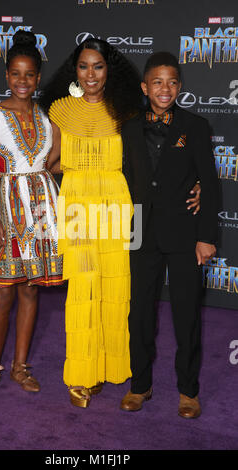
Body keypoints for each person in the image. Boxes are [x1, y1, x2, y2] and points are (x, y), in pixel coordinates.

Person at [39, 40, 200, 408]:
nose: (91, 74)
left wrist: (200, 183)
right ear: (74, 71)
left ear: (109, 71)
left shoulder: (127, 111)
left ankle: (110, 369)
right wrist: (73, 171)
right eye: (84, 66)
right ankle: (82, 374)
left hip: (118, 206)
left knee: (116, 290)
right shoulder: (61, 110)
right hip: (78, 206)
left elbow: (158, 160)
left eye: (98, 66)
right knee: (83, 289)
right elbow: (49, 162)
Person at [120, 52, 218, 418]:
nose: (165, 88)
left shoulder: (194, 125)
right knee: (140, 314)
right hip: (140, 229)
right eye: (157, 82)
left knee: (187, 315)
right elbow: (121, 179)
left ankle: (188, 391)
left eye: (172, 82)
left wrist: (206, 236)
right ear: (145, 87)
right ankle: (139, 385)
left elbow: (209, 181)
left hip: (184, 233)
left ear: (180, 86)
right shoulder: (128, 128)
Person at [0, 30, 63, 396]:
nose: (22, 81)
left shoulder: (47, 118)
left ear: (38, 77)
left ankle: (21, 367)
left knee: (30, 291)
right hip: (2, 212)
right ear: (6, 75)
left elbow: (49, 165)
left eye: (29, 74)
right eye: (15, 73)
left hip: (41, 213)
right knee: (3, 293)